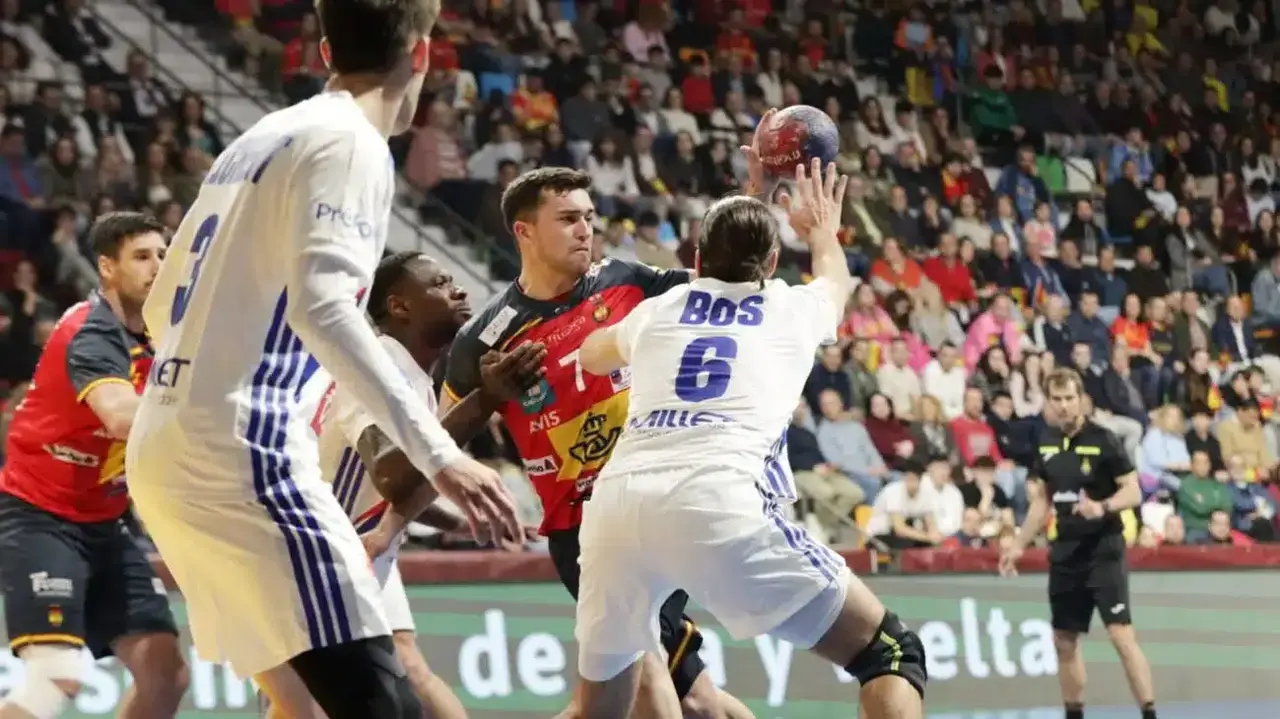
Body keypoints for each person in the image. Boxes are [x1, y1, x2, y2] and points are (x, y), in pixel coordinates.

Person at [124, 2, 521, 717]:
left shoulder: (257, 138)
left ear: (326, 47)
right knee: (380, 701)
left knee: (303, 708)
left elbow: (158, 308)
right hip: (243, 451)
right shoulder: (351, 144)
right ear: (424, 54)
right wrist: (440, 453)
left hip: (166, 444)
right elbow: (325, 307)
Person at [571, 159, 927, 718]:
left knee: (599, 711)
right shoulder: (790, 308)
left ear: (694, 262)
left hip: (616, 507)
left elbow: (592, 354)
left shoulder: (658, 311)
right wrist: (822, 231)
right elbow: (834, 277)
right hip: (718, 502)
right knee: (890, 653)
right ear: (774, 263)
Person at [440, 165, 750, 718]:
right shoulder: (484, 338)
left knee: (697, 704)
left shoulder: (627, 280)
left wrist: (750, 200)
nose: (585, 229)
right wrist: (488, 396)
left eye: (588, 217)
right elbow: (435, 444)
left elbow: (720, 279)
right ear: (524, 232)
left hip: (656, 509)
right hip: (585, 532)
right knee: (650, 681)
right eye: (567, 219)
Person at [288, 251, 543, 719]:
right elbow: (392, 474)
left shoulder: (410, 377)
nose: (459, 289)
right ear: (400, 306)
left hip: (349, 559)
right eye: (441, 282)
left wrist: (464, 521)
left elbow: (401, 482)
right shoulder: (377, 368)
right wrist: (483, 401)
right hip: (316, 568)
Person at [0, 213, 189, 719]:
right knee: (53, 677)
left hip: (105, 521)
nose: (158, 267)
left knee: (165, 672)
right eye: (143, 257)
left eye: (165, 255)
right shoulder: (91, 331)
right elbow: (123, 418)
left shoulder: (167, 332)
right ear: (107, 267)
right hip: (40, 514)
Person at [999, 368, 1158, 719]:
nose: (1064, 406)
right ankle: (1074, 715)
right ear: (1049, 402)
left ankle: (1149, 713)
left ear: (1080, 398)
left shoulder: (1104, 438)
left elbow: (1133, 490)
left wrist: (1101, 507)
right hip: (1066, 550)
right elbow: (1041, 501)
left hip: (1105, 546)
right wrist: (1018, 545)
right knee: (1064, 640)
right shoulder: (1046, 441)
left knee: (1120, 635)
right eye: (1057, 399)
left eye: (1070, 398)